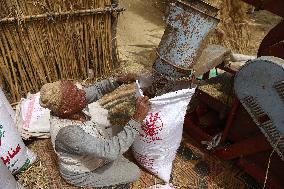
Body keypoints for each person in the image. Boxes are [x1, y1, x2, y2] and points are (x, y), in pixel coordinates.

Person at [39, 75, 150, 188]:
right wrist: (137, 119)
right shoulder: (69, 134)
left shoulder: (71, 106)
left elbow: (97, 89)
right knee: (133, 172)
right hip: (83, 173)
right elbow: (110, 152)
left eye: (77, 89)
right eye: (76, 94)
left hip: (92, 149)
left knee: (120, 129)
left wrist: (116, 80)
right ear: (66, 109)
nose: (82, 93)